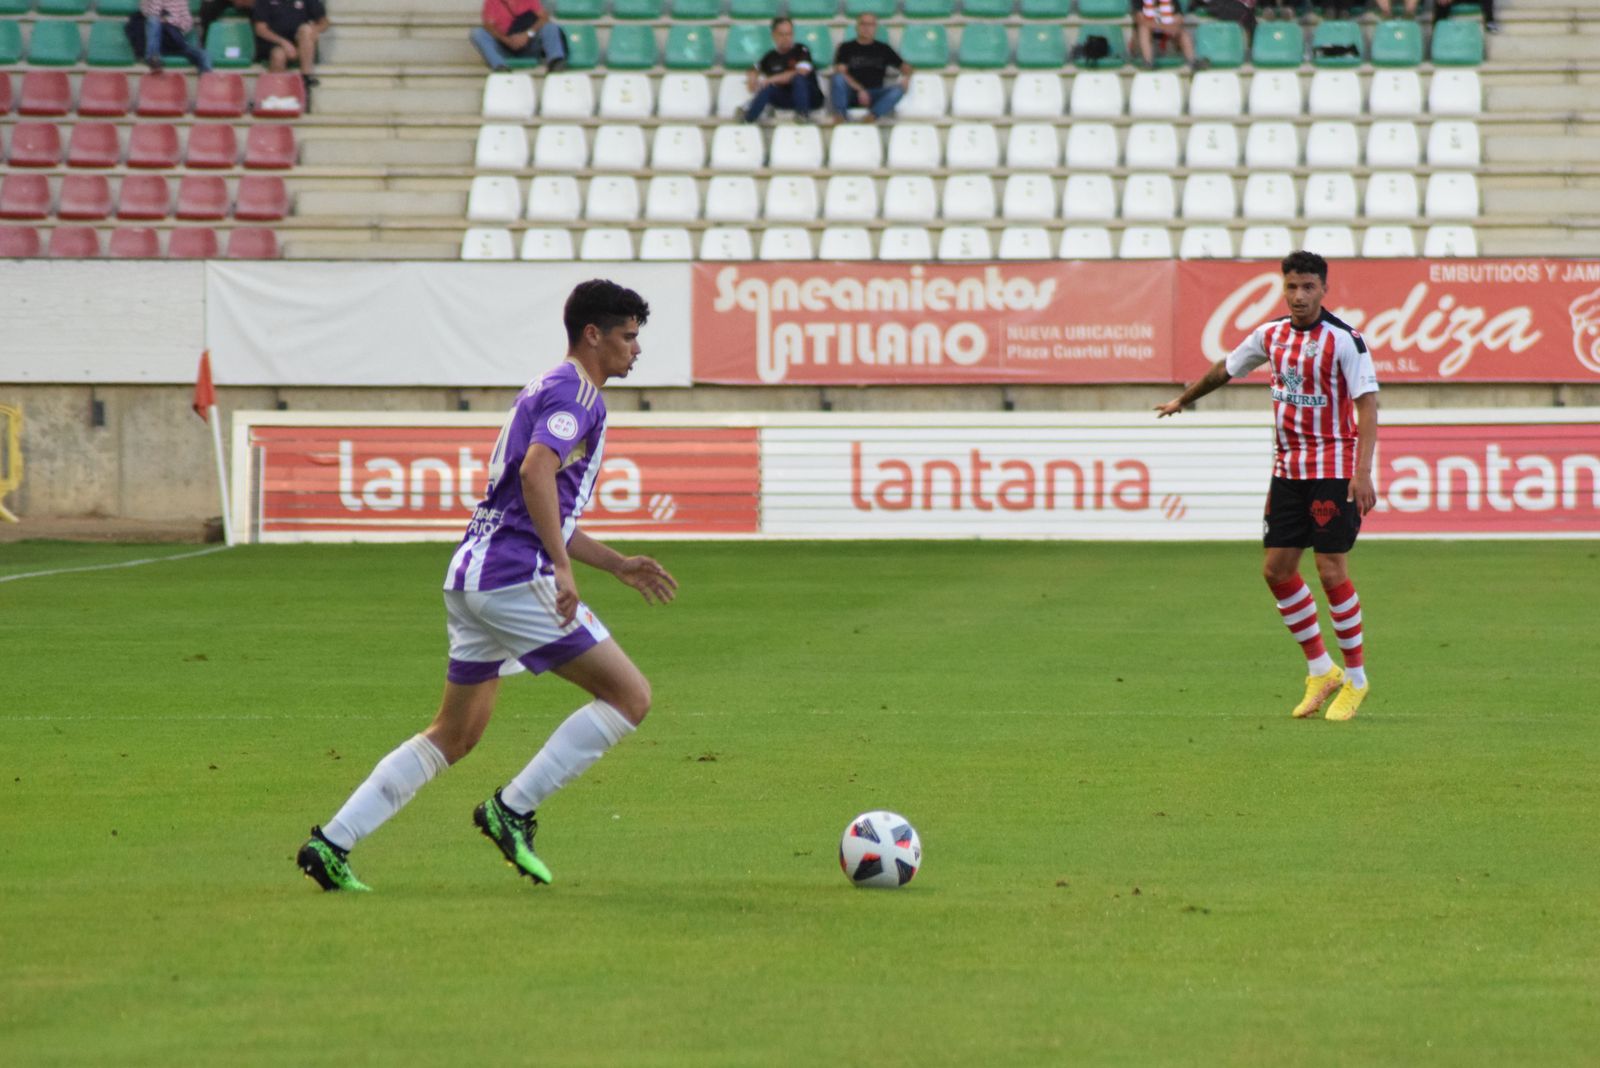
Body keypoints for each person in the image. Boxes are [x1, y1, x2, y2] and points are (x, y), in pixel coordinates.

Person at [296, 280, 679, 892]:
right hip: (512, 576)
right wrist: (560, 565)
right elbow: (535, 471)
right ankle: (513, 808)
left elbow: (540, 501)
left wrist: (613, 562)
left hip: (473, 575)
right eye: (629, 337)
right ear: (593, 335)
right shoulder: (576, 393)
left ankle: (331, 843)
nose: (636, 350)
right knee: (629, 697)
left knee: (454, 733)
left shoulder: (548, 388)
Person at [1155, 251, 1379, 722]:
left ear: (1324, 289)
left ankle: (1356, 679)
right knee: (1276, 570)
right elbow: (1227, 367)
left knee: (1331, 570)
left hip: (1333, 467)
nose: (1298, 296)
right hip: (1288, 470)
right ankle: (1321, 670)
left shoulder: (1345, 341)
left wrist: (1362, 472)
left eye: (1308, 288)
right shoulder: (1271, 335)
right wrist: (1184, 399)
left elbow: (1368, 406)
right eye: (1291, 287)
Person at [830, 12, 910, 124]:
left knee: (898, 90)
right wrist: (861, 90)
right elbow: (841, 72)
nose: (867, 28)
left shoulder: (883, 48)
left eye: (871, 24)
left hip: (875, 94)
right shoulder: (846, 47)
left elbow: (905, 67)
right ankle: (840, 116)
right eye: (863, 24)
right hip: (851, 93)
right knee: (837, 78)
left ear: (875, 27)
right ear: (857, 27)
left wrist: (907, 77)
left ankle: (872, 116)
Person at [742, 17, 819, 124]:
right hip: (786, 98)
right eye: (782, 34)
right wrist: (752, 77)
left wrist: (770, 79)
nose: (786, 38)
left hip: (809, 97)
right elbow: (755, 68)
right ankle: (748, 119)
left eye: (789, 34)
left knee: (798, 79)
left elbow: (802, 71)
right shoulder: (770, 56)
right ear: (774, 35)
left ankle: (803, 115)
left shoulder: (801, 50)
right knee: (767, 89)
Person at [471, 0, 567, 73]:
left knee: (551, 27)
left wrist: (527, 35)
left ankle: (555, 62)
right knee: (478, 33)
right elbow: (488, 26)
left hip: (529, 43)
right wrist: (507, 40)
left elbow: (544, 18)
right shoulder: (493, 2)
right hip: (505, 45)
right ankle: (500, 66)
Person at [253, 0, 330, 86]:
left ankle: (306, 77)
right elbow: (260, 29)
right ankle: (279, 91)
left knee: (306, 30)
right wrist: (283, 43)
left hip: (300, 42)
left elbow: (324, 23)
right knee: (279, 55)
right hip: (274, 42)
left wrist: (313, 30)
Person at [127, 0, 214, 74]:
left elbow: (187, 23)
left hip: (175, 42)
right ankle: (153, 58)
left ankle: (207, 87)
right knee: (153, 21)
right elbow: (150, 14)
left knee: (203, 54)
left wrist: (168, 20)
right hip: (156, 43)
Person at [1131, 0, 1206, 71]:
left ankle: (1192, 62)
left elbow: (1179, 18)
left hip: (1167, 37)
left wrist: (1172, 27)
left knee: (1182, 33)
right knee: (1144, 29)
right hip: (1146, 37)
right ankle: (1148, 63)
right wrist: (1165, 27)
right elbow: (1141, 20)